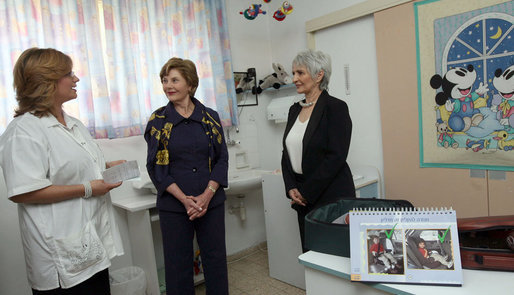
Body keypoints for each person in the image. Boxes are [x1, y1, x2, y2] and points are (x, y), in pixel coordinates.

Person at [0, 48, 125, 294]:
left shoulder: (74, 125)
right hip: (59, 255)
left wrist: (106, 168)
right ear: (46, 82)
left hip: (91, 245)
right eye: (69, 74)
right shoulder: (24, 131)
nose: (76, 79)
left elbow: (73, 168)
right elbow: (23, 192)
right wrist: (89, 188)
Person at [145, 57, 229, 294]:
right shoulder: (159, 122)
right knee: (177, 265)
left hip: (211, 203)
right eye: (164, 80)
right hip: (174, 206)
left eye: (174, 80)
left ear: (190, 85)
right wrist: (184, 199)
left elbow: (222, 158)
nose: (168, 85)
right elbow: (156, 167)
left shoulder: (210, 118)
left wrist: (206, 195)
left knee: (215, 261)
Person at [281, 49, 356, 252]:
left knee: (334, 254)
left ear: (318, 75)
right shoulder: (294, 110)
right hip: (301, 196)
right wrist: (291, 187)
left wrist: (306, 192)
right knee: (310, 252)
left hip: (330, 194)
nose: (294, 78)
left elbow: (336, 156)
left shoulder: (336, 108)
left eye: (300, 73)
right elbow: (286, 153)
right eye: (294, 73)